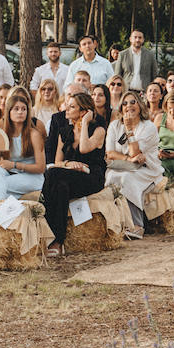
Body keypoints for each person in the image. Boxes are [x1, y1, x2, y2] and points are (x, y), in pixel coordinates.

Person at [41, 92, 108, 254]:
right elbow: (57, 162)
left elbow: (84, 148)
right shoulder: (64, 132)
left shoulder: (98, 130)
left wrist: (84, 123)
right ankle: (58, 239)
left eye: (72, 107)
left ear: (84, 112)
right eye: (67, 105)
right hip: (68, 175)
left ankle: (48, 233)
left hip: (92, 177)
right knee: (60, 185)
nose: (66, 110)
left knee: (54, 176)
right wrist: (69, 164)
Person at [104, 91, 163, 232]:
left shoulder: (148, 127)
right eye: (124, 103)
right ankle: (118, 222)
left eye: (132, 102)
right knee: (111, 177)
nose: (128, 106)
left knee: (127, 179)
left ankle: (137, 224)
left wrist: (129, 130)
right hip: (122, 166)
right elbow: (110, 152)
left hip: (146, 168)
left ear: (140, 105)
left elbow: (135, 152)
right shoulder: (114, 126)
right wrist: (128, 159)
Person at [0, 90, 47, 201]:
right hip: (10, 175)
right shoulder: (2, 132)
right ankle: (0, 209)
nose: (20, 112)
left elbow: (41, 168)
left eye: (24, 109)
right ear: (8, 112)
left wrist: (14, 165)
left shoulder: (34, 134)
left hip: (32, 178)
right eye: (16, 109)